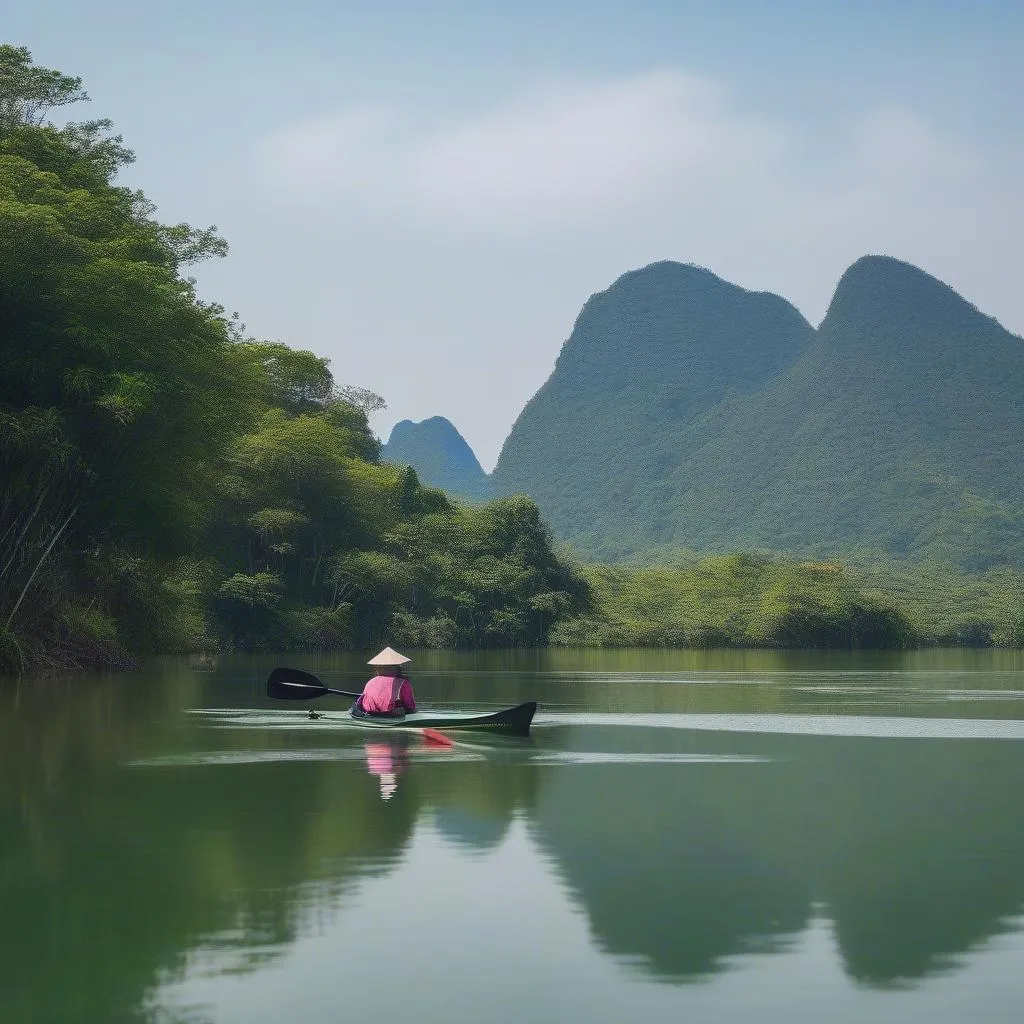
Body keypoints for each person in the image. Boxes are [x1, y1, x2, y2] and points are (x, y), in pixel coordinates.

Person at [353, 647, 416, 718]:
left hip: (368, 713)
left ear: (379, 668)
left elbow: (362, 701)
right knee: (402, 710)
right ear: (395, 668)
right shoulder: (403, 682)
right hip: (389, 714)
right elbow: (410, 707)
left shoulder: (370, 681)